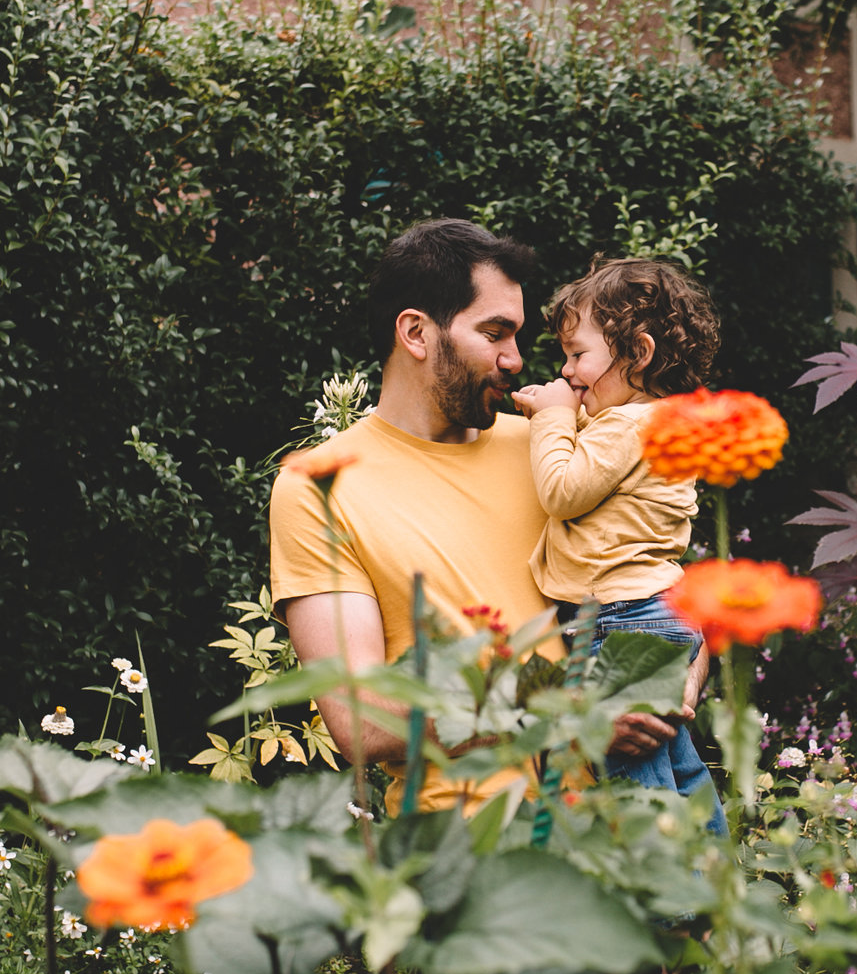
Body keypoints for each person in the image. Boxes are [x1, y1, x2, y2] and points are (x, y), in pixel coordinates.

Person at [268, 219, 699, 811]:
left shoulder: (556, 449)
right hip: (473, 863)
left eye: (517, 337)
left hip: (626, 841)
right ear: (416, 332)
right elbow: (360, 721)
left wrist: (668, 686)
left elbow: (666, 591)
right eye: (495, 333)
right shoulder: (318, 487)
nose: (517, 361)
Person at [513, 258, 725, 831]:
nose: (566, 370)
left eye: (578, 354)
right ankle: (713, 878)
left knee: (634, 783)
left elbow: (562, 489)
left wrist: (553, 416)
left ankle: (669, 909)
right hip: (659, 611)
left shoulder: (626, 426)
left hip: (621, 618)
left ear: (638, 353)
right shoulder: (658, 424)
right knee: (676, 765)